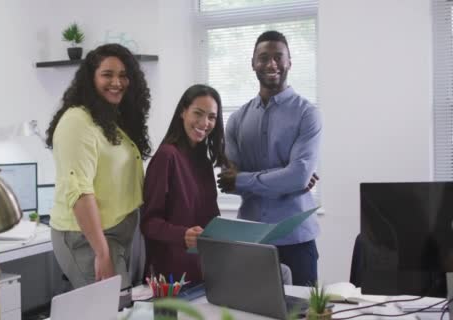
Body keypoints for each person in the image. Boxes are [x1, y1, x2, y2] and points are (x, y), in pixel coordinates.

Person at [141, 84, 292, 285]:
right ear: (183, 112)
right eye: (198, 113)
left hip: (207, 261)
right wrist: (182, 235)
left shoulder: (203, 161)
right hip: (175, 272)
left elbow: (210, 219)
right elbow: (149, 223)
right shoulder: (167, 157)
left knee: (281, 271)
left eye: (211, 117)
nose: (204, 123)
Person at [217, 30, 322, 286]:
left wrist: (245, 180)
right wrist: (285, 178)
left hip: (297, 242)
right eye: (263, 57)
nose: (271, 64)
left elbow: (297, 176)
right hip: (252, 241)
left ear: (289, 63)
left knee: (301, 314)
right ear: (253, 63)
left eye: (279, 57)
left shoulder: (307, 114)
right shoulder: (237, 119)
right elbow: (228, 181)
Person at [45, 43, 152, 291]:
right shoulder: (76, 121)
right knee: (110, 309)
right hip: (88, 237)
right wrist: (102, 252)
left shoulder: (108, 119)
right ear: (90, 78)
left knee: (121, 308)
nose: (117, 82)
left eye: (123, 75)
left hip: (119, 232)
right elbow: (79, 190)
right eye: (107, 74)